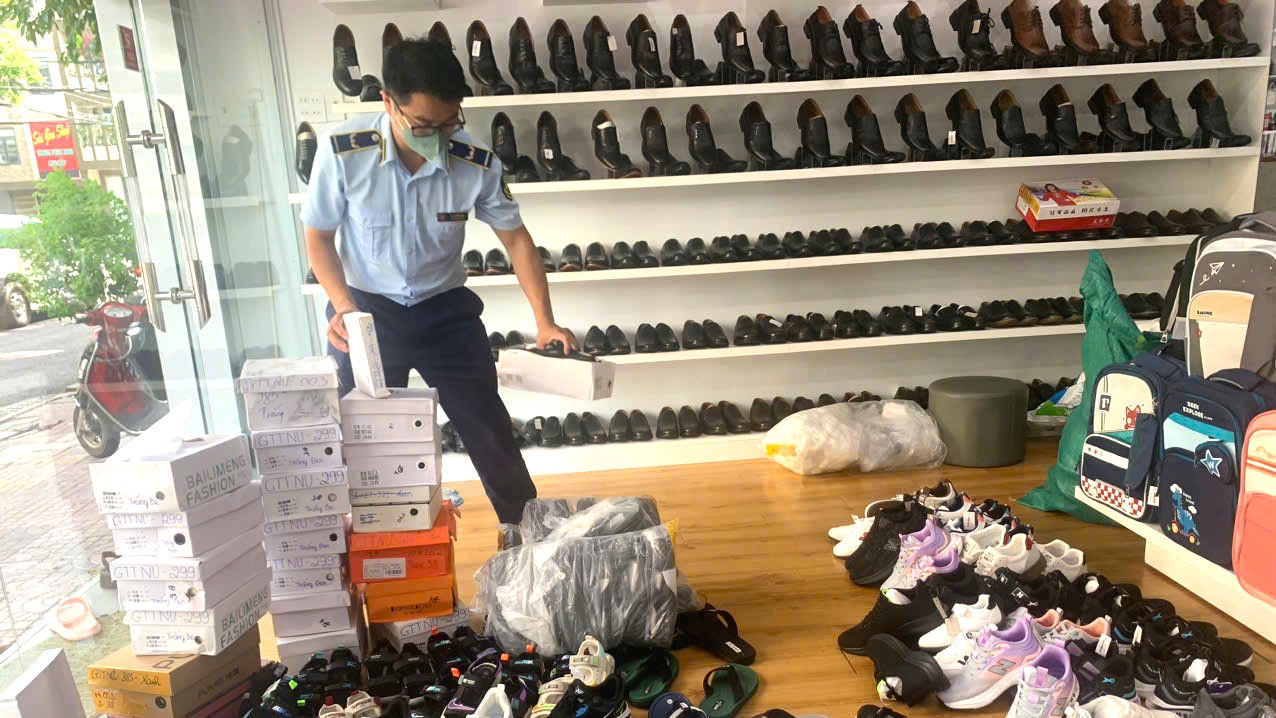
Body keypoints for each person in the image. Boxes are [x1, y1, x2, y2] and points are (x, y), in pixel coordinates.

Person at [300, 38, 577, 526]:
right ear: (389, 103)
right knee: (361, 439)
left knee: (489, 430)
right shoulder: (343, 152)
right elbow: (319, 237)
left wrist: (545, 322)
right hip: (367, 312)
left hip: (445, 311)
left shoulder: (475, 160)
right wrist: (342, 304)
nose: (439, 137)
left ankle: (527, 538)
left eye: (450, 122)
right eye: (424, 125)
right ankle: (366, 543)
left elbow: (517, 241)